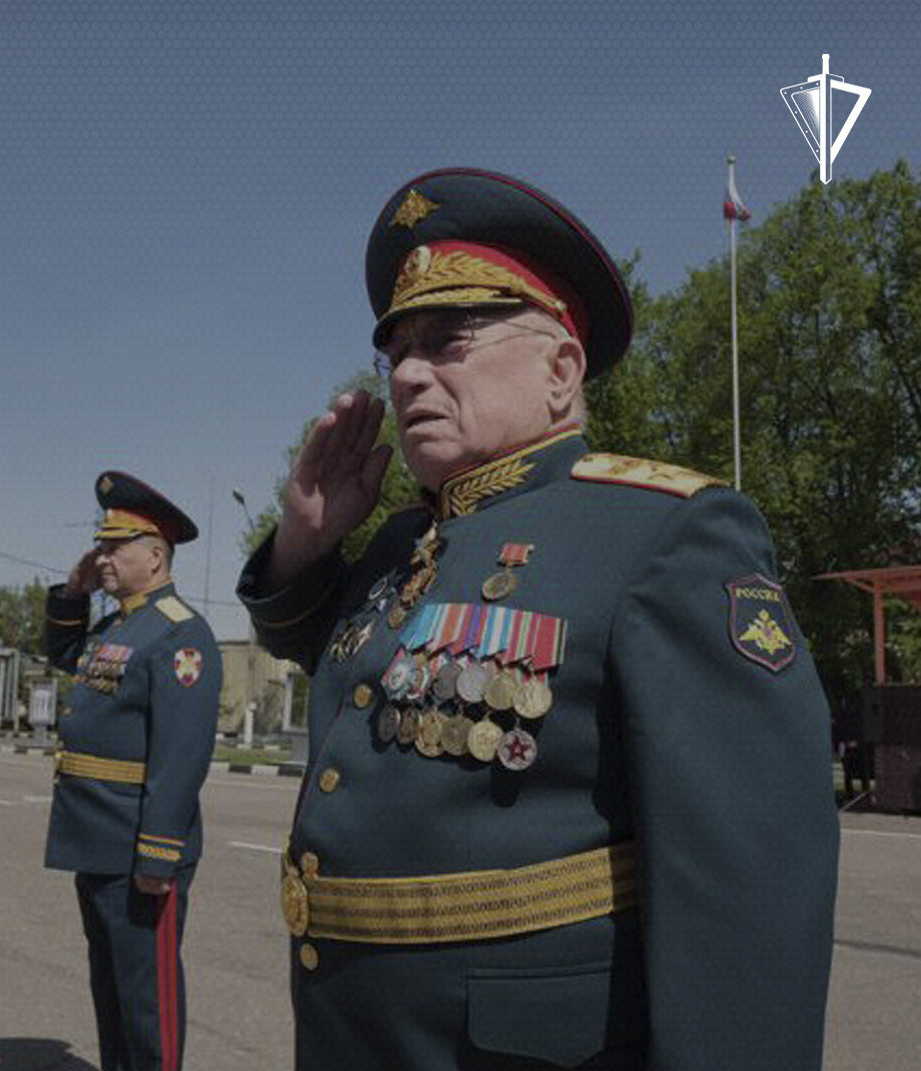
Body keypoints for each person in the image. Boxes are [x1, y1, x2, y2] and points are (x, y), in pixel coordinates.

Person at [238, 168, 839, 1070]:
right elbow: (327, 659)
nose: (406, 373)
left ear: (560, 370)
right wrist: (303, 543)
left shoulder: (663, 532)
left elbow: (744, 892)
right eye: (395, 351)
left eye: (448, 341)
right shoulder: (400, 541)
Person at [44, 471, 221, 1071]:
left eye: (114, 546)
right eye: (100, 545)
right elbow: (66, 656)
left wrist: (158, 853)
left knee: (149, 1001)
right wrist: (73, 592)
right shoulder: (119, 624)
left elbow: (181, 755)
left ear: (154, 554)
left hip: (136, 844)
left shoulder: (180, 633)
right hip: (95, 837)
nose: (102, 557)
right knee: (112, 992)